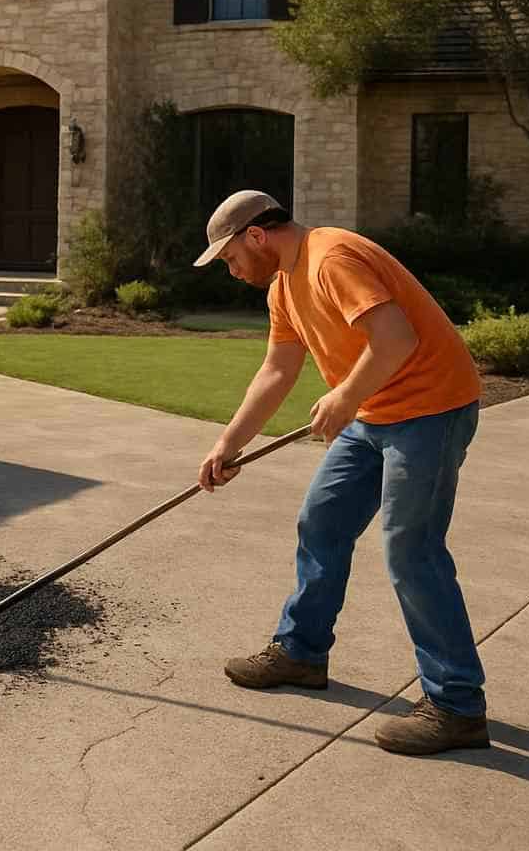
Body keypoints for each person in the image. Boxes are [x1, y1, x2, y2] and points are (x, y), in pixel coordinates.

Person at [193, 190, 489, 756]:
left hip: (431, 411)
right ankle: (301, 653)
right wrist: (227, 444)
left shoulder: (331, 258)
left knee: (412, 549)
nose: (231, 272)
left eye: (229, 258)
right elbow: (278, 368)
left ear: (256, 236)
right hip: (376, 415)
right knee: (322, 524)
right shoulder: (284, 284)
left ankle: (457, 706)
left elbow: (396, 339)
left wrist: (347, 397)